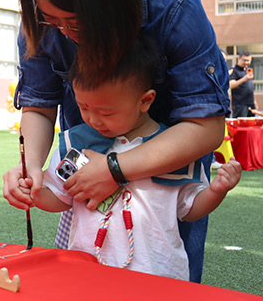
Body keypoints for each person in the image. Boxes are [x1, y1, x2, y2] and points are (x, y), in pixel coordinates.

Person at [2, 0, 229, 283]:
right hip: (87, 159)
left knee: (166, 276)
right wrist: (30, 167)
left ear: (111, 4)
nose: (62, 33)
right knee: (87, 270)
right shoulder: (43, 16)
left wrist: (114, 168)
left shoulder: (173, 4)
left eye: (74, 23)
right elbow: (40, 105)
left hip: (167, 159)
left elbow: (206, 126)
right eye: (51, 20)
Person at [17, 35, 242, 280]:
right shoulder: (78, 143)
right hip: (87, 273)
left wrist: (216, 191)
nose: (92, 119)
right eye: (83, 107)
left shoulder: (174, 149)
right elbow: (61, 198)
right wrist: (34, 192)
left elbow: (189, 209)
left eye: (105, 112)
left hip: (159, 276)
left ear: (145, 101)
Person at [229, 51, 257, 118]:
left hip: (250, 104)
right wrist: (244, 79)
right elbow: (231, 85)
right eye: (244, 60)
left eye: (248, 61)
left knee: (251, 125)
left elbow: (249, 88)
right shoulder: (234, 70)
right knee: (241, 126)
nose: (246, 62)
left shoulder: (247, 70)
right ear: (239, 59)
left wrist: (254, 101)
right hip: (240, 105)